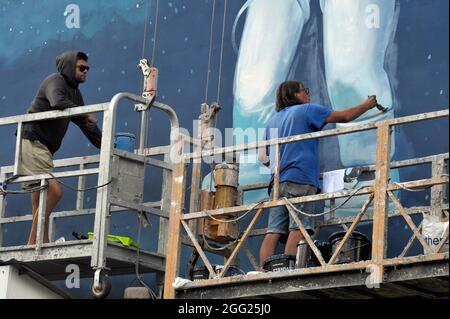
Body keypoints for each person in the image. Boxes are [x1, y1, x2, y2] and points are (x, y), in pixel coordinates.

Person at [258, 80, 378, 268]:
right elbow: (345, 117)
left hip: (276, 182)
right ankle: (288, 271)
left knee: (273, 231)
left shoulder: (272, 121)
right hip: (300, 178)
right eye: (304, 91)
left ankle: (265, 272)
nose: (308, 94)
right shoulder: (306, 110)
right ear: (295, 95)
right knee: (299, 227)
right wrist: (366, 105)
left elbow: (262, 157)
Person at [18, 51, 102, 245]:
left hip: (43, 148)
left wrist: (107, 144)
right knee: (54, 191)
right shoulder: (55, 81)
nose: (86, 71)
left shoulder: (75, 93)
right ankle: (32, 243)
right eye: (82, 68)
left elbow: (86, 125)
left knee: (40, 201)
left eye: (87, 68)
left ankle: (42, 243)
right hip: (33, 141)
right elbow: (57, 102)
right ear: (70, 67)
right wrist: (86, 113)